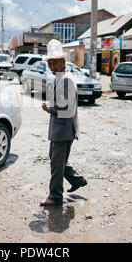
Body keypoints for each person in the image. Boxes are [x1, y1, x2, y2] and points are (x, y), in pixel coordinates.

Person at [40, 39, 87, 206]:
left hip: (63, 130)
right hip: (63, 129)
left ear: (63, 62)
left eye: (54, 64)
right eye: (49, 64)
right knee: (56, 159)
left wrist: (49, 108)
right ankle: (77, 180)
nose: (51, 68)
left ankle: (55, 196)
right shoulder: (62, 77)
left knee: (56, 164)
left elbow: (65, 106)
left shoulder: (66, 79)